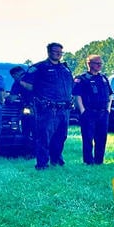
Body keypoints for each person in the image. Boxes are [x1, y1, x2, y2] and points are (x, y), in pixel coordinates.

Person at [20, 42, 74, 170]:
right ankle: (42, 164)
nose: (58, 54)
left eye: (60, 52)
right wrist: (38, 92)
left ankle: (56, 160)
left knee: (61, 137)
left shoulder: (65, 68)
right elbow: (24, 82)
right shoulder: (39, 67)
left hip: (64, 109)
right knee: (44, 137)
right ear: (49, 52)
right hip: (47, 109)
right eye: (56, 51)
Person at [74, 54, 112, 165]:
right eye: (97, 63)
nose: (100, 65)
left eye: (101, 63)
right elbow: (77, 95)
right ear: (89, 64)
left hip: (103, 113)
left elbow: (110, 94)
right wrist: (82, 111)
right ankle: (88, 162)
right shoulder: (82, 79)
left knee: (101, 138)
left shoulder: (103, 78)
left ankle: (99, 161)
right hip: (89, 112)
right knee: (88, 138)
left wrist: (108, 110)